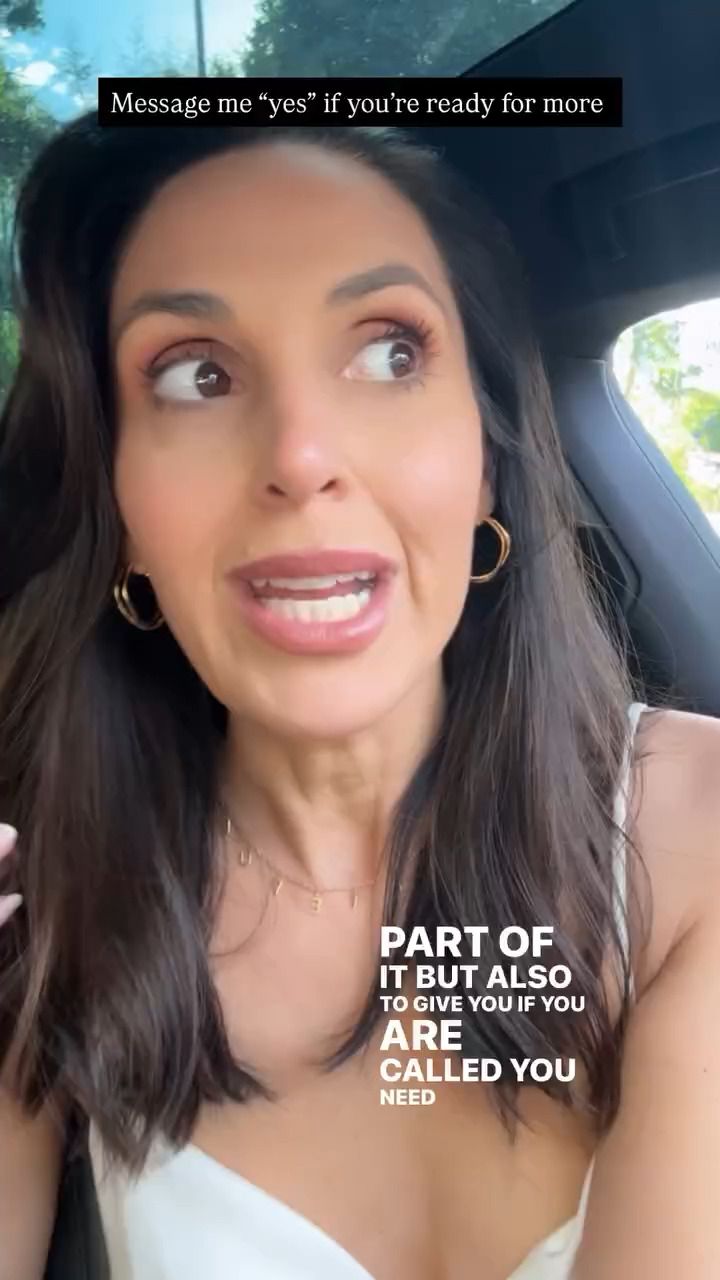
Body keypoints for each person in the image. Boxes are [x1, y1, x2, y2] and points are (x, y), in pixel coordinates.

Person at [0, 116, 719, 1280]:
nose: (300, 454)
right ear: (119, 511)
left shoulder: (703, 827)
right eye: (195, 374)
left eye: (389, 352)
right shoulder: (42, 908)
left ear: (485, 461)